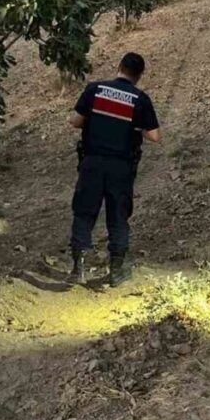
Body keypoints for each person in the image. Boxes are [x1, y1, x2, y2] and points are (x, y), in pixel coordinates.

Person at [67, 52, 162, 285]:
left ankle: (78, 268)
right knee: (118, 216)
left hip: (92, 163)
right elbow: (155, 136)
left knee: (84, 213)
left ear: (118, 66)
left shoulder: (94, 90)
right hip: (121, 167)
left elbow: (75, 121)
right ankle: (117, 272)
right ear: (139, 76)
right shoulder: (140, 99)